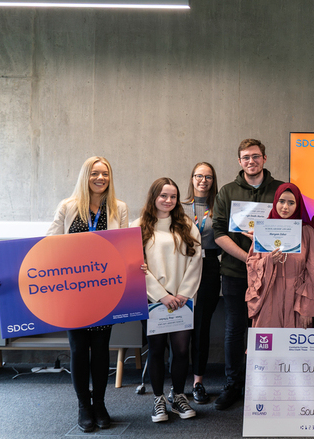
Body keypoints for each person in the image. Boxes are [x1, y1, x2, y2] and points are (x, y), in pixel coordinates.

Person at [44, 156, 130, 432]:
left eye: (105, 173)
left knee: (102, 348)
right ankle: (84, 405)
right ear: (86, 176)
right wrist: (13, 276)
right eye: (95, 173)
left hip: (104, 292)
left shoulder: (119, 208)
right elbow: (47, 246)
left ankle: (101, 404)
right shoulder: (68, 207)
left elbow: (125, 247)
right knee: (79, 349)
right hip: (74, 293)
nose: (100, 178)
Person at [212, 139, 284, 410]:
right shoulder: (227, 191)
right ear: (239, 161)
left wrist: (265, 262)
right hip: (234, 272)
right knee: (234, 329)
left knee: (268, 328)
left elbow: (292, 227)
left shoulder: (281, 190)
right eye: (245, 157)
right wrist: (250, 260)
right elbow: (219, 232)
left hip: (272, 275)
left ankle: (266, 383)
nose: (251, 161)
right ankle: (232, 384)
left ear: (265, 158)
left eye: (255, 156)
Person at [132, 178, 202, 423]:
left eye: (173, 196)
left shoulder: (186, 225)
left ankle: (179, 396)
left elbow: (196, 260)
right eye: (163, 196)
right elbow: (137, 267)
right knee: (157, 349)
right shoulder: (138, 226)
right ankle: (159, 399)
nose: (168, 201)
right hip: (153, 300)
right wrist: (162, 296)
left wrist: (183, 294)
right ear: (153, 197)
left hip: (182, 300)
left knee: (182, 349)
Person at [246, 183, 314, 327]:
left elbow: (313, 271)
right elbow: (252, 265)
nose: (285, 207)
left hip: (297, 301)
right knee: (268, 345)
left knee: (296, 346)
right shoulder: (263, 228)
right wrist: (268, 261)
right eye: (282, 201)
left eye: (291, 203)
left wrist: (307, 308)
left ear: (298, 205)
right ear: (275, 201)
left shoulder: (306, 232)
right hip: (269, 297)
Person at [181, 162, 220, 405]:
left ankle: (197, 382)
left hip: (210, 269)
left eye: (208, 177)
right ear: (192, 178)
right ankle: (175, 382)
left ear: (213, 180)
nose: (203, 180)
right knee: (178, 326)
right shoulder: (179, 207)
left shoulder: (220, 208)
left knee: (201, 326)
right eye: (198, 176)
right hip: (181, 270)